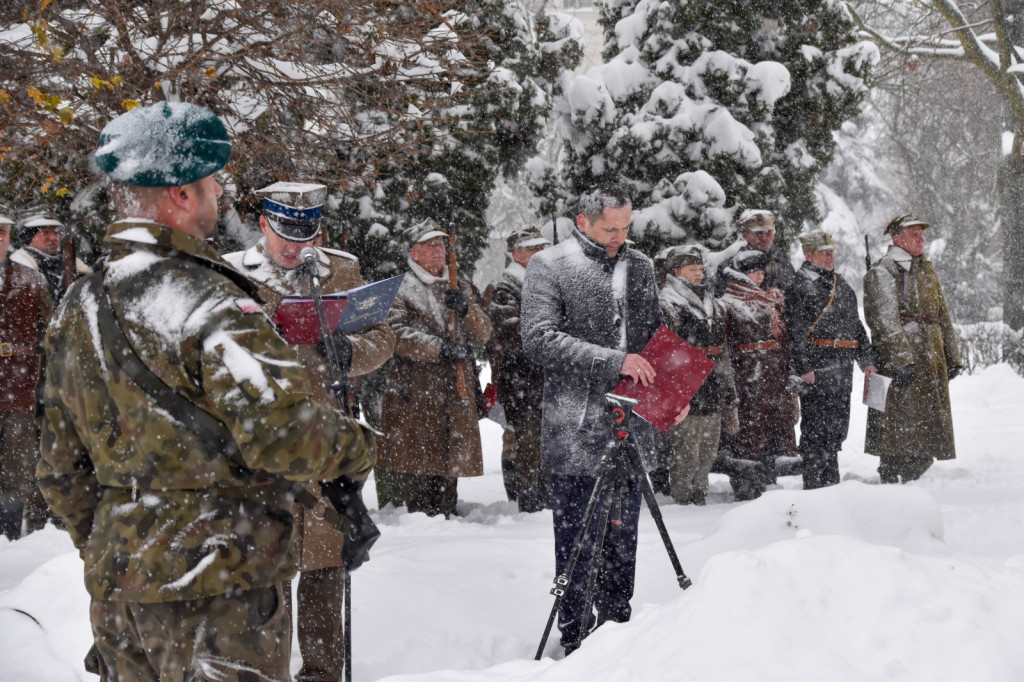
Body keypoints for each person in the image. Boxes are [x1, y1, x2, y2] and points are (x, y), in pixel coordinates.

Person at [35, 102, 375, 681]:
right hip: (220, 589)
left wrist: (124, 546)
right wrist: (358, 445)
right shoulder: (216, 304)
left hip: (121, 595)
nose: (220, 193)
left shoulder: (79, 305)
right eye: (213, 181)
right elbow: (285, 436)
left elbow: (60, 470)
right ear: (183, 195)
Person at [223, 182, 394, 682]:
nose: (299, 250)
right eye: (286, 239)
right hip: (260, 446)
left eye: (308, 237)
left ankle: (321, 673)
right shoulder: (233, 273)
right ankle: (263, 670)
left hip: (325, 440)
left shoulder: (340, 269)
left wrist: (352, 353)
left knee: (323, 564)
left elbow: (380, 333)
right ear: (263, 225)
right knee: (266, 567)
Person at [520, 187, 688, 654]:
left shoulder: (640, 265)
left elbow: (654, 338)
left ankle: (618, 636)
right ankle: (575, 637)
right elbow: (538, 340)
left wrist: (674, 393)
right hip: (576, 426)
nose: (619, 237)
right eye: (609, 228)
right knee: (576, 542)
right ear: (583, 221)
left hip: (629, 425)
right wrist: (614, 360)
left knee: (622, 540)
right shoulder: (548, 265)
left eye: (626, 228)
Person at [376, 218, 492, 517]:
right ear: (413, 252)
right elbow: (394, 333)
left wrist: (466, 310)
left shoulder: (459, 284)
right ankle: (423, 527)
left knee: (450, 461)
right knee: (418, 464)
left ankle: (447, 516)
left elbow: (483, 334)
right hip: (414, 392)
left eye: (441, 244)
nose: (438, 250)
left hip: (454, 392)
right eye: (430, 245)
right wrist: (439, 348)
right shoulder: (400, 288)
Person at [863, 215, 962, 483]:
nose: (922, 239)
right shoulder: (884, 269)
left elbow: (942, 314)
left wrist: (952, 356)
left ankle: (911, 471)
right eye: (914, 234)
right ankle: (892, 473)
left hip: (930, 355)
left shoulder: (925, 268)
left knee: (926, 420)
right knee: (897, 423)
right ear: (898, 239)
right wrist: (901, 359)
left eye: (922, 234)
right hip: (904, 355)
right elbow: (884, 320)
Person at [785, 230, 877, 489]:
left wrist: (866, 359)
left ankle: (831, 483)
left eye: (831, 252)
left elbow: (856, 326)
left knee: (835, 430)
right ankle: (814, 485)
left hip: (842, 366)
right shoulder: (799, 286)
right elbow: (795, 330)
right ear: (809, 254)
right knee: (815, 431)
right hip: (818, 366)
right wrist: (804, 366)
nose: (830, 257)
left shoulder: (841, 284)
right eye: (824, 253)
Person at [659, 244, 736, 505]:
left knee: (708, 447)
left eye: (701, 269)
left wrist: (728, 381)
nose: (699, 275)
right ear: (677, 271)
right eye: (693, 270)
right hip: (685, 382)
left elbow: (722, 347)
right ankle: (682, 498)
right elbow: (665, 349)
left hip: (711, 380)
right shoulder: (668, 301)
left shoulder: (710, 301)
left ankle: (700, 494)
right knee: (686, 447)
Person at [717, 249, 794, 501]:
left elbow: (785, 340)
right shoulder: (729, 303)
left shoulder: (772, 300)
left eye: (762, 271)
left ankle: (768, 480)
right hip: (747, 376)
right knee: (748, 430)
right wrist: (731, 381)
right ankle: (746, 484)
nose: (759, 276)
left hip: (774, 374)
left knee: (774, 427)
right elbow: (725, 345)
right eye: (754, 272)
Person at [488, 226, 551, 512]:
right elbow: (512, 334)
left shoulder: (548, 281)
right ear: (517, 255)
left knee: (547, 442)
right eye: (533, 249)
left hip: (545, 378)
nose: (540, 253)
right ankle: (529, 501)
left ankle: (546, 496)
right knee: (528, 443)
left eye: (542, 247)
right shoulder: (507, 288)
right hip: (522, 379)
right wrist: (551, 337)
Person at [0, 208, 53, 539]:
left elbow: (49, 337)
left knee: (16, 472)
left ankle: (11, 542)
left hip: (19, 389)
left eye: (3, 233)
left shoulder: (31, 280)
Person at [10, 210, 91, 304]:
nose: (52, 238)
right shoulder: (18, 266)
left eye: (55, 232)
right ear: (29, 237)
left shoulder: (74, 265)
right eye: (45, 232)